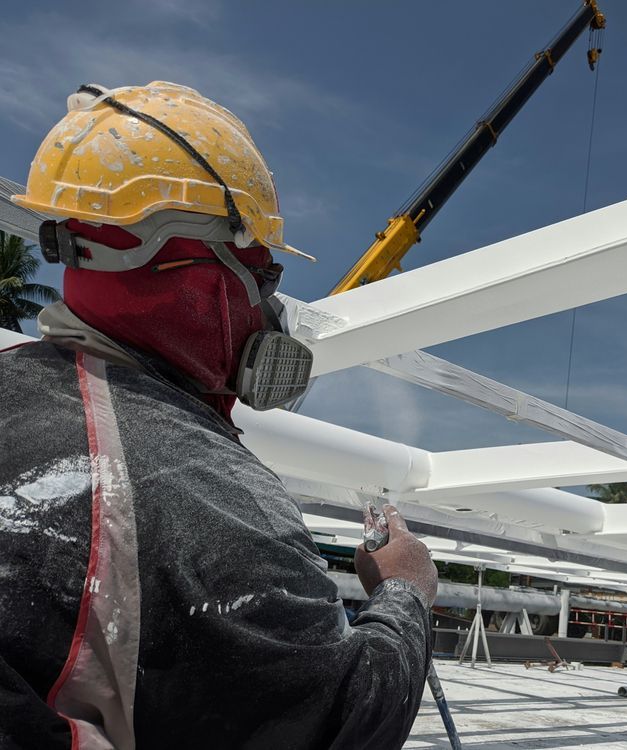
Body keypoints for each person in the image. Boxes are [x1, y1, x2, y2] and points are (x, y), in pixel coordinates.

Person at [0, 81, 438, 749]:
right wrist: (406, 591)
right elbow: (346, 718)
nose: (268, 309)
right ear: (195, 265)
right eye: (262, 276)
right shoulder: (203, 495)